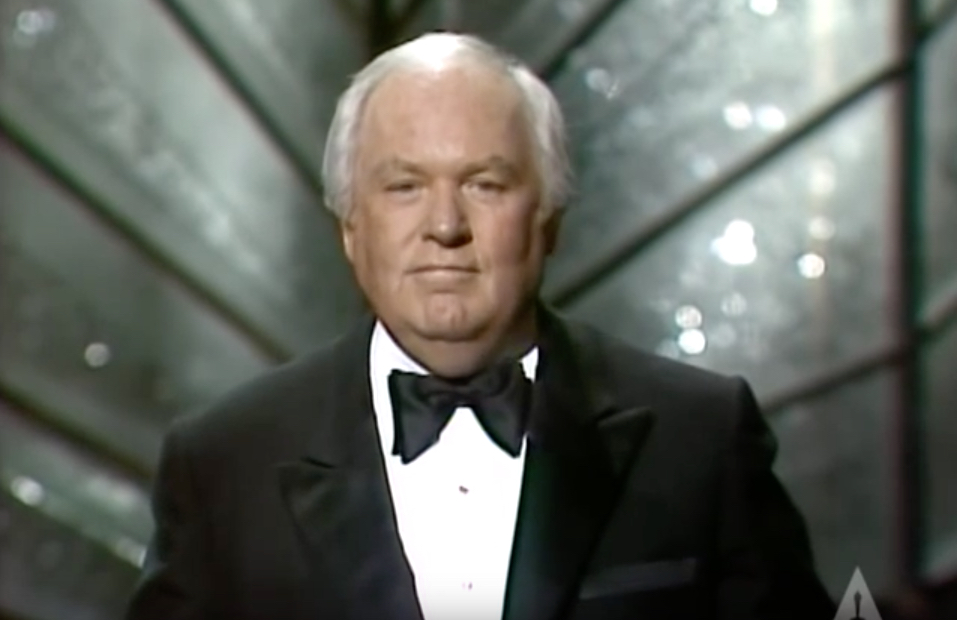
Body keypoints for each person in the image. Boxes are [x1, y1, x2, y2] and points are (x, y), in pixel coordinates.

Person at [124, 32, 837, 620]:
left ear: (548, 218)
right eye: (404, 187)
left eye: (484, 184)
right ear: (350, 226)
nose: (444, 225)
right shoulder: (223, 464)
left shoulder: (700, 437)